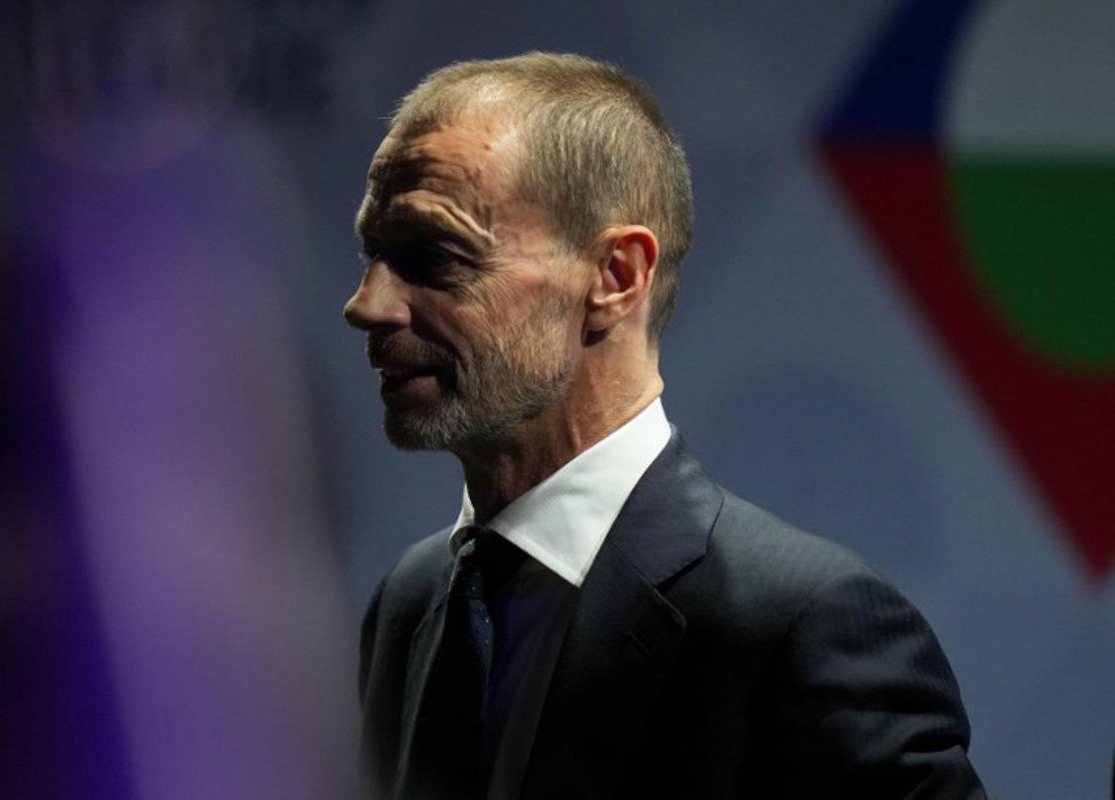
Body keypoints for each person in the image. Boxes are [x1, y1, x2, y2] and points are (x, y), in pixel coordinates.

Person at [344, 52, 987, 800]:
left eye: (433, 256)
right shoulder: (411, 602)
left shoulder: (803, 628)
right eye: (373, 254)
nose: (368, 305)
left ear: (616, 278)